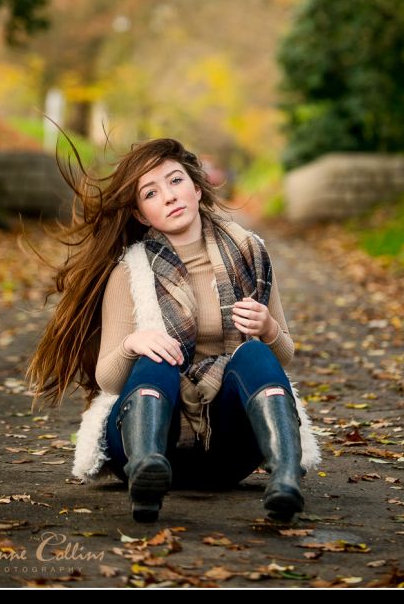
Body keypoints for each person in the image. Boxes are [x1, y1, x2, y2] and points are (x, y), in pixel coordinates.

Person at [27, 137, 320, 522]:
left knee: (254, 353)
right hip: (145, 440)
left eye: (175, 180)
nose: (169, 196)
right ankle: (147, 472)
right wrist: (133, 343)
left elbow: (283, 357)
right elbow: (109, 380)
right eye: (151, 192)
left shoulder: (250, 253)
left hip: (227, 447)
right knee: (158, 354)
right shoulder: (129, 272)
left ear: (197, 188)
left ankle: (285, 478)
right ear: (143, 214)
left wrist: (268, 329)